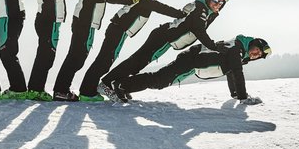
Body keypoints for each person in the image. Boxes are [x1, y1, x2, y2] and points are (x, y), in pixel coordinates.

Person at [99, 0, 229, 97]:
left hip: (164, 37)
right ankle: (106, 84)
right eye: (215, 1)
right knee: (136, 62)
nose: (218, 4)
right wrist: (214, 46)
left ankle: (118, 85)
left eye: (221, 3)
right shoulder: (201, 10)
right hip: (163, 37)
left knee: (137, 63)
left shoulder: (206, 11)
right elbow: (199, 30)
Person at [79, 0, 186, 98]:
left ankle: (90, 90)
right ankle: (87, 92)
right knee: (103, 62)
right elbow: (161, 8)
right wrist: (181, 14)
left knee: (104, 61)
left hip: (118, 31)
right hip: (118, 30)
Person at [52, 0, 143, 102]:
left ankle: (61, 90)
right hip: (83, 24)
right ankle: (61, 91)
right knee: (75, 58)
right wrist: (129, 0)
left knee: (77, 58)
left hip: (85, 24)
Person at [101, 35, 271, 105]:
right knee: (160, 80)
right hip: (191, 60)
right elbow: (237, 73)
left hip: (193, 60)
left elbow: (232, 72)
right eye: (256, 50)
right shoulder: (238, 50)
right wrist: (242, 98)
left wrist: (235, 94)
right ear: (253, 43)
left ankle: (123, 85)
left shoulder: (240, 51)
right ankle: (121, 85)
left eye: (259, 55)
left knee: (160, 79)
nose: (255, 54)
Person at [26, 0, 83, 101]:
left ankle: (35, 89)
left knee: (45, 56)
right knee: (46, 57)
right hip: (47, 21)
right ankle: (35, 90)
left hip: (49, 22)